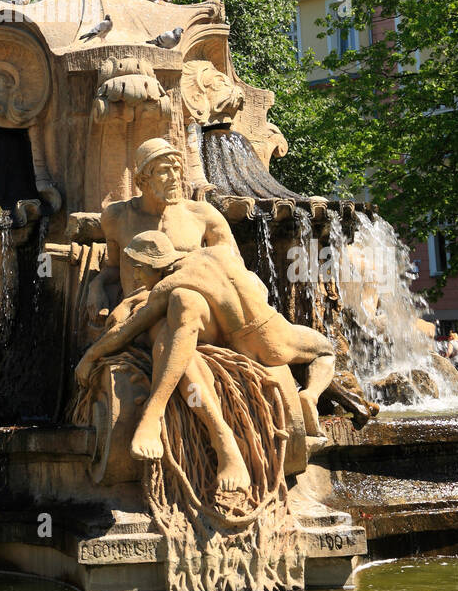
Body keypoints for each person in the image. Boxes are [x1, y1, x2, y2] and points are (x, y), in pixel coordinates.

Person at [77, 138, 336, 479]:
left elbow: (239, 268)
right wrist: (97, 286)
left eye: (177, 170)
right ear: (141, 179)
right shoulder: (118, 216)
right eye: (163, 172)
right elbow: (113, 268)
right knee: (181, 327)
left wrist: (90, 356)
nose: (174, 178)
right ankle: (235, 432)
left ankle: (185, 425)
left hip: (203, 309)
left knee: (179, 325)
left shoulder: (203, 215)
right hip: (190, 312)